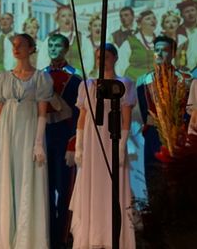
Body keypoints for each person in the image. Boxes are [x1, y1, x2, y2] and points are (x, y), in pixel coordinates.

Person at [0, 33, 53, 249]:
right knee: (6, 178)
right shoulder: (4, 77)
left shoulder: (40, 78)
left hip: (29, 130)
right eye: (14, 45)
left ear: (31, 49)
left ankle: (27, 240)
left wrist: (38, 143)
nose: (16, 48)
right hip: (7, 132)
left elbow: (42, 111)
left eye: (21, 44)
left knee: (28, 178)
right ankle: (5, 238)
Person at [69, 43, 137, 249]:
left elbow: (126, 118)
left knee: (112, 187)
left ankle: (112, 237)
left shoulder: (124, 84)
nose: (102, 61)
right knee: (92, 186)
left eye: (106, 57)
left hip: (112, 142)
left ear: (115, 58)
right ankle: (93, 236)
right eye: (99, 57)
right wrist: (79, 146)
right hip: (92, 143)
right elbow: (82, 117)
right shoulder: (88, 85)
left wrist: (122, 146)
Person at [135, 36, 191, 192]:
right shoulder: (143, 80)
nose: (159, 53)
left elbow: (188, 111)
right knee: (153, 177)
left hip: (177, 134)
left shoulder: (184, 80)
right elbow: (144, 113)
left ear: (173, 54)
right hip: (153, 134)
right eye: (156, 50)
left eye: (164, 50)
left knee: (177, 181)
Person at [42, 34, 82, 249]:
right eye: (50, 45)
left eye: (57, 45)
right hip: (45, 134)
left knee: (65, 188)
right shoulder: (41, 75)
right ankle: (47, 234)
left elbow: (78, 115)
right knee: (44, 189)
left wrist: (73, 144)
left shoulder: (75, 78)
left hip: (64, 135)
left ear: (66, 49)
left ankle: (62, 236)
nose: (53, 48)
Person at [117, 9, 158, 83]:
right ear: (139, 24)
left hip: (154, 84)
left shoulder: (160, 41)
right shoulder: (129, 42)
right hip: (134, 83)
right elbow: (120, 67)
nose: (153, 21)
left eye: (154, 18)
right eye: (148, 19)